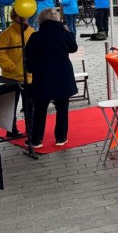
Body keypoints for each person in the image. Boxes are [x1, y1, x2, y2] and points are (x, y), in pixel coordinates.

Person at [24, 8, 78, 148]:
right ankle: (61, 137)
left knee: (40, 109)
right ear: (57, 19)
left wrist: (32, 69)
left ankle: (36, 139)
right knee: (62, 107)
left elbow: (28, 59)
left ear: (40, 20)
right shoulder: (64, 34)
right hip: (62, 75)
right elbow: (73, 48)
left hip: (42, 77)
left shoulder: (35, 37)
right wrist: (68, 32)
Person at [0, 9, 34, 137]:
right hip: (11, 77)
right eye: (21, 15)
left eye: (26, 14)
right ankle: (11, 130)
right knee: (10, 104)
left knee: (29, 104)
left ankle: (30, 128)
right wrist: (10, 66)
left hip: (29, 75)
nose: (25, 17)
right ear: (14, 17)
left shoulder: (31, 31)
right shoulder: (7, 33)